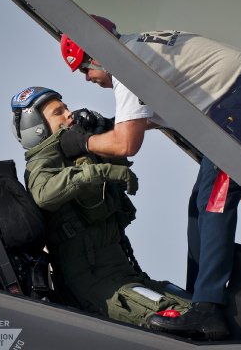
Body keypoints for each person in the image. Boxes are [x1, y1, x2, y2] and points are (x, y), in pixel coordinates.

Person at [59, 16, 241, 340]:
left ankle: (207, 308)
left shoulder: (124, 65)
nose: (87, 78)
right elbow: (152, 116)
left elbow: (127, 144)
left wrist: (81, 142)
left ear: (95, 54)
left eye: (84, 69)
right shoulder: (136, 48)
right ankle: (199, 304)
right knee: (199, 204)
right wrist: (107, 124)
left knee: (213, 201)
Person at [10, 86, 190, 329]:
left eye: (66, 107)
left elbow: (122, 146)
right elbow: (43, 194)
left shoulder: (76, 150)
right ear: (38, 127)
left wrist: (99, 129)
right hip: (96, 285)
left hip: (127, 274)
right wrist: (97, 171)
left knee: (198, 309)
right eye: (58, 112)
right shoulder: (41, 163)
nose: (69, 113)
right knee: (173, 318)